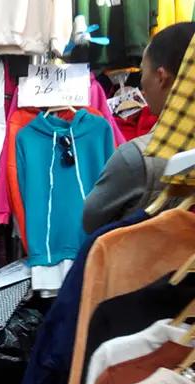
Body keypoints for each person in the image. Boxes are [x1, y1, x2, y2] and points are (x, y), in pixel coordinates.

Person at [83, 22, 195, 233]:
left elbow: (90, 219)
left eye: (143, 71)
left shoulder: (136, 158)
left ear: (161, 77)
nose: (141, 85)